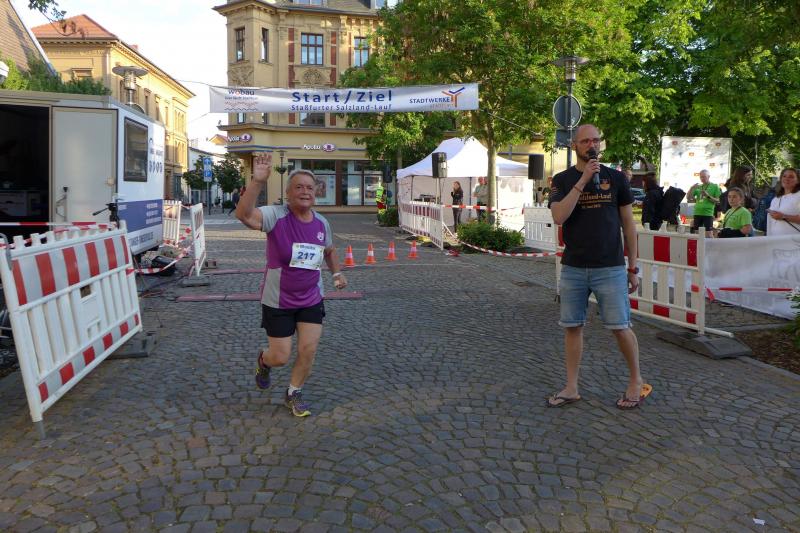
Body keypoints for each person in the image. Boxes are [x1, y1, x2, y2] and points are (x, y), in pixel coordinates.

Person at [547, 124, 651, 410]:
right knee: (572, 326)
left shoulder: (616, 178)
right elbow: (559, 216)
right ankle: (571, 387)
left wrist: (633, 267)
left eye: (595, 140)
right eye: (585, 141)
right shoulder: (562, 180)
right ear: (574, 145)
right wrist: (583, 180)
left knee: (620, 327)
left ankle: (636, 380)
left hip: (610, 266)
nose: (591, 145)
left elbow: (629, 225)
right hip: (574, 266)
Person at [236, 154, 348, 417]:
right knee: (281, 356)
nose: (305, 192)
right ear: (288, 193)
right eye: (299, 187)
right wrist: (257, 181)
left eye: (310, 188)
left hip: (311, 297)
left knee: (308, 349)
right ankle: (264, 361)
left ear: (316, 193)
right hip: (279, 299)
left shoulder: (321, 223)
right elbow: (244, 215)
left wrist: (337, 274)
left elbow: (329, 250)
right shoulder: (275, 216)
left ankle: (294, 392)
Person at [766, 167, 800, 236]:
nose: (787, 179)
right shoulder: (776, 199)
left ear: (798, 181)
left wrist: (783, 216)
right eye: (784, 176)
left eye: (791, 177)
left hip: (794, 240)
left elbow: (781, 216)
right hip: (774, 239)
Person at [687, 169, 721, 237]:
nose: (702, 178)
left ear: (709, 176)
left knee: (708, 234)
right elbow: (688, 197)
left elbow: (718, 200)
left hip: (708, 213)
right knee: (697, 234)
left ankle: (711, 244)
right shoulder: (698, 187)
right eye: (701, 177)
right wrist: (691, 188)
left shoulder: (715, 186)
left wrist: (708, 196)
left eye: (704, 177)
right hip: (697, 212)